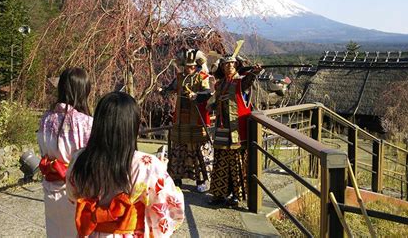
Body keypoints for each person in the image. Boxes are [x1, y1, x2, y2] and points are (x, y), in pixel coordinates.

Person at [67, 91, 185, 237]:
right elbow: (169, 206)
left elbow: (72, 195)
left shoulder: (79, 158)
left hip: (91, 232)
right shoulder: (147, 165)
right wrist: (160, 172)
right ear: (132, 126)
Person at [38, 67, 93, 237]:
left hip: (50, 188)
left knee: (55, 232)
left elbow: (42, 150)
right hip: (76, 191)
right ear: (84, 90)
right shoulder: (85, 122)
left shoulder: (46, 118)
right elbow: (91, 159)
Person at [208, 55, 262, 207]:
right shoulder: (219, 85)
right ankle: (219, 194)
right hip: (221, 127)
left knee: (236, 163)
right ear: (222, 67)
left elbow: (248, 81)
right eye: (226, 64)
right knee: (220, 161)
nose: (229, 66)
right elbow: (216, 101)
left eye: (232, 64)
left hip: (236, 130)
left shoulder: (240, 82)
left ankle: (236, 196)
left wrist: (254, 73)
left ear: (236, 66)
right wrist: (211, 105)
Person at [160, 49, 213, 192]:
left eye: (192, 66)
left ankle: (201, 180)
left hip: (196, 120)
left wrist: (196, 95)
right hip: (181, 120)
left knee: (198, 151)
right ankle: (176, 179)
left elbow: (208, 93)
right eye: (186, 66)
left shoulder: (203, 77)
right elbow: (171, 88)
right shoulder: (179, 77)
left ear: (196, 66)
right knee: (179, 149)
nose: (189, 68)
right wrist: (163, 90)